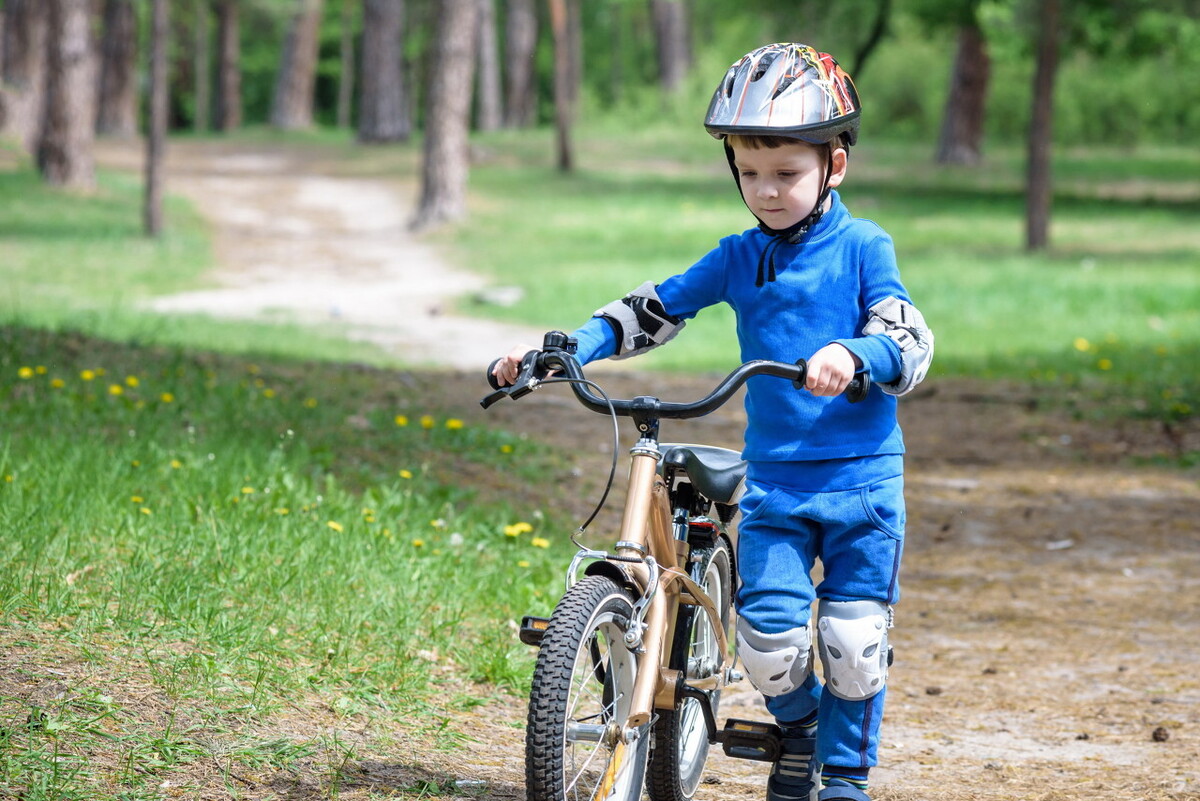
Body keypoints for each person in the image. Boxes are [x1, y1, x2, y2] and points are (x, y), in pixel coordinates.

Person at [491, 43, 933, 801]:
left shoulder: (864, 247)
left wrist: (856, 354)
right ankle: (803, 728)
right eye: (749, 173)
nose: (765, 191)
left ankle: (845, 779)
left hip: (862, 485)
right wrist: (560, 349)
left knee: (854, 644)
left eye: (785, 174)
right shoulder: (738, 256)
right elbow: (652, 309)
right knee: (766, 647)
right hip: (777, 489)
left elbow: (909, 338)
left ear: (835, 165)